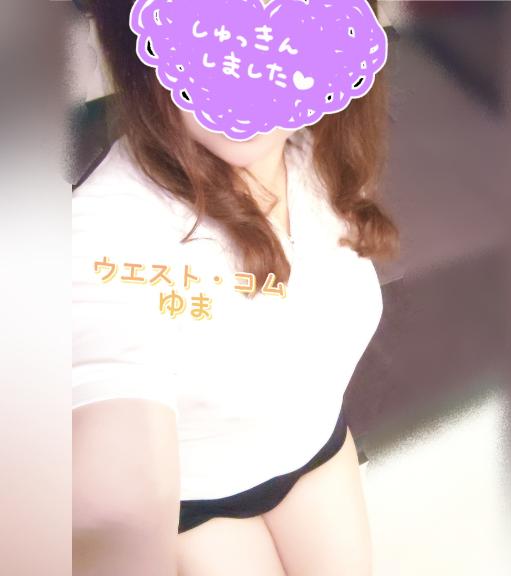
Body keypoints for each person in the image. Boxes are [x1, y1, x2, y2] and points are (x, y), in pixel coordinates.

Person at [72, 1, 399, 575]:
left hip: (316, 445)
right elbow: (111, 499)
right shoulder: (102, 230)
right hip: (198, 505)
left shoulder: (316, 151)